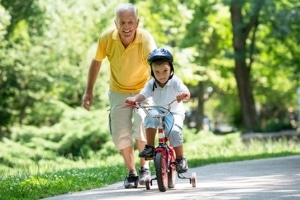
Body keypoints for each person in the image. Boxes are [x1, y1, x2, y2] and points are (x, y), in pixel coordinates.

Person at [82, 3, 157, 188]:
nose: (126, 26)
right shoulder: (107, 38)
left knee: (142, 124)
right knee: (120, 133)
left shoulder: (145, 39)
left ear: (137, 22)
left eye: (130, 22)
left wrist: (162, 90)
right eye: (122, 22)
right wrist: (88, 91)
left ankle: (144, 168)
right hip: (118, 90)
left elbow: (156, 65)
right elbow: (97, 62)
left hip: (143, 90)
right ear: (116, 23)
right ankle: (131, 172)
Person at [125, 48, 190, 173]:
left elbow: (186, 92)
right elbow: (143, 95)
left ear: (171, 69)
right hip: (158, 110)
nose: (161, 75)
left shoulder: (175, 81)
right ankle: (149, 147)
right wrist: (134, 99)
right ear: (152, 72)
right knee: (149, 117)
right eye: (157, 72)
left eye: (165, 71)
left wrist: (184, 95)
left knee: (175, 132)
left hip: (174, 111)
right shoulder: (151, 84)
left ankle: (180, 158)